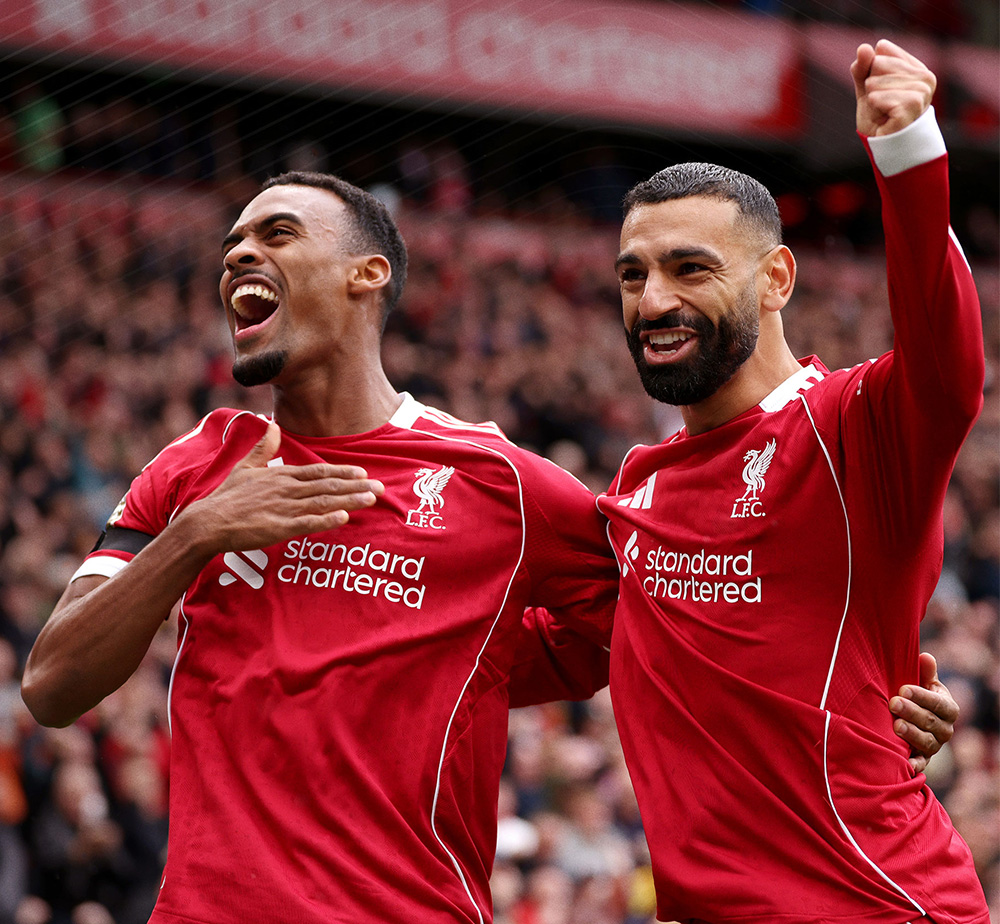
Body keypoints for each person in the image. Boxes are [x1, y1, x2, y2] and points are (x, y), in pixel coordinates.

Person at [22, 133, 957, 922]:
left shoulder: (500, 485)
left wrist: (874, 681)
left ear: (367, 273)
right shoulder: (196, 467)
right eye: (231, 242)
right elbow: (55, 684)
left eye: (275, 233)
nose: (236, 256)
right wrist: (196, 536)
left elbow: (647, 622)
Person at [599, 40, 989, 922]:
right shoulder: (634, 486)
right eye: (633, 274)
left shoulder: (857, 425)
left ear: (776, 278)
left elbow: (948, 360)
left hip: (874, 900)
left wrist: (909, 155)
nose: (652, 301)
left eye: (689, 268)